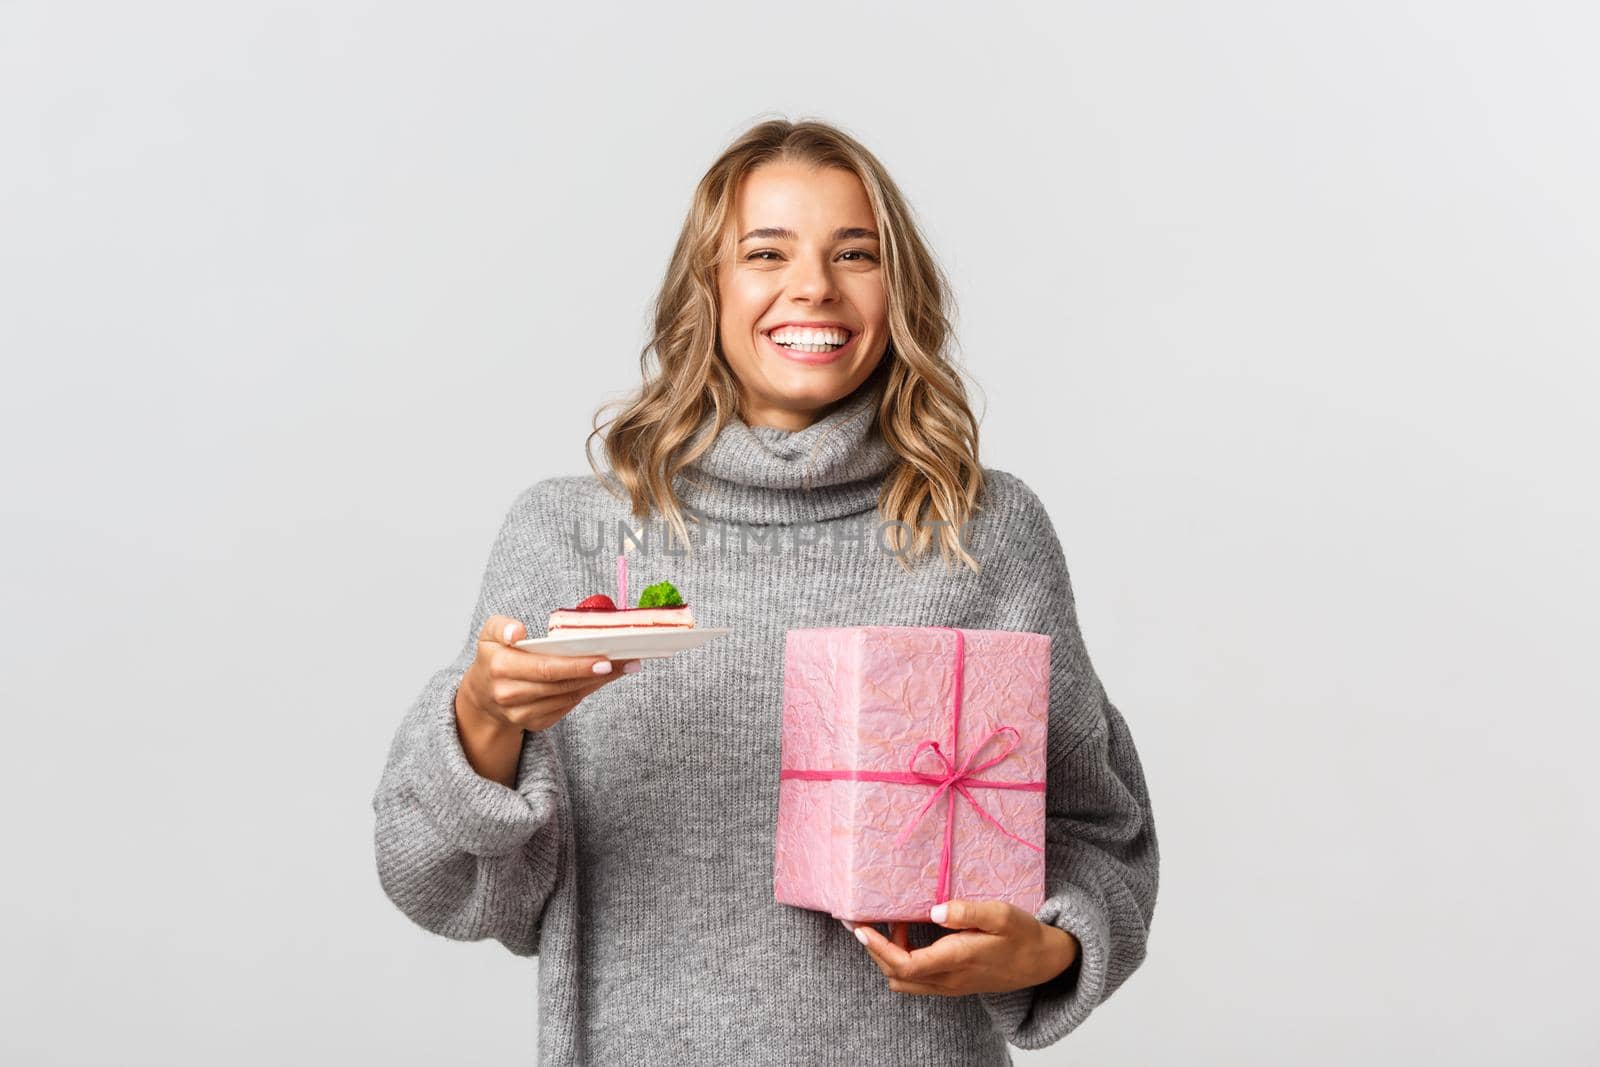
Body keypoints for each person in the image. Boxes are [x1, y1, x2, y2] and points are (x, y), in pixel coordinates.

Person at [372, 118, 1159, 1065]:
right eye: (765, 252)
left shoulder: (982, 529)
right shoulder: (574, 537)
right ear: (707, 289)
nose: (814, 285)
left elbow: (1097, 831)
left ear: (895, 288)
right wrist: (482, 717)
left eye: (854, 252)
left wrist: (1048, 947)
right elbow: (444, 882)